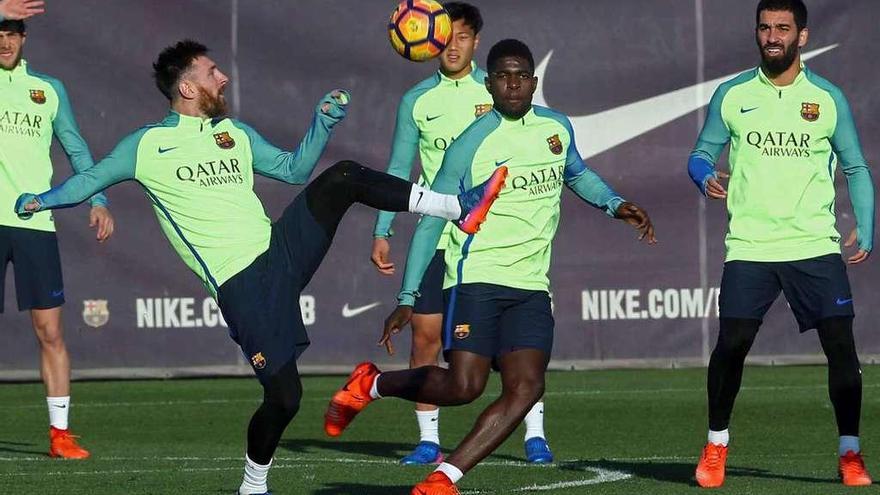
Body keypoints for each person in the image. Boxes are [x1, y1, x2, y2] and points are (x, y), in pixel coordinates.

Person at [15, 39, 507, 495]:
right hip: (242, 284)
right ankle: (253, 485)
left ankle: (455, 208)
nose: (223, 78)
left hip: (279, 250)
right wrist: (44, 199)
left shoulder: (233, 132)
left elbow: (294, 170)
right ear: (187, 88)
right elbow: (90, 179)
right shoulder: (146, 146)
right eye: (212, 73)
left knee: (341, 177)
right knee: (285, 397)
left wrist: (322, 124)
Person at [325, 39, 655, 495]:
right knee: (465, 387)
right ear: (490, 82)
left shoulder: (556, 127)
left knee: (526, 387)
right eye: (502, 76)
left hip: (531, 285)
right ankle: (375, 383)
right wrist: (407, 296)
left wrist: (615, 204)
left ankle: (444, 479)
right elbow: (430, 220)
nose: (513, 84)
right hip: (476, 277)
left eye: (521, 75)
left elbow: (576, 173)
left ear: (534, 83)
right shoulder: (470, 143)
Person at [687, 0, 874, 487]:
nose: (773, 36)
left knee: (841, 349)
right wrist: (704, 173)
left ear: (802, 36)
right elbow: (701, 152)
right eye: (765, 27)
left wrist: (868, 224)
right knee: (732, 344)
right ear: (757, 33)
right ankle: (715, 446)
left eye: (783, 28)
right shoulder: (732, 94)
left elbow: (855, 166)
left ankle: (850, 453)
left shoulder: (828, 98)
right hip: (751, 244)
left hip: (814, 244)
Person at [371, 2, 551, 465]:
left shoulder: (499, 91)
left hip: (492, 241)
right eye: (444, 37)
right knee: (426, 340)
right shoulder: (416, 101)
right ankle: (428, 438)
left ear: (476, 42)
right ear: (425, 41)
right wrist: (383, 228)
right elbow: (398, 168)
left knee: (515, 345)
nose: (452, 45)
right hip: (438, 238)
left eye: (463, 37)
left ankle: (535, 433)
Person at [0, 15, 114, 459]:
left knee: (50, 331)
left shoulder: (47, 89)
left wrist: (98, 199)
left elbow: (76, 147)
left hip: (34, 225)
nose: (4, 41)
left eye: (12, 32)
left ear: (24, 37)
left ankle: (60, 434)